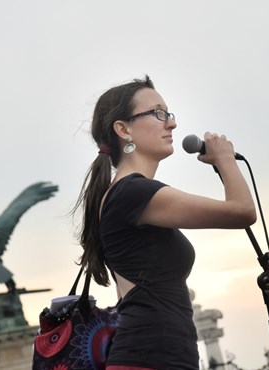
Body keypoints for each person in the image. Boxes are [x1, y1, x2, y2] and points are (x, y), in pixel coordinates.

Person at [75, 76, 256, 370]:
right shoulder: (132, 192)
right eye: (157, 113)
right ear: (123, 129)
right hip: (150, 358)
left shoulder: (126, 194)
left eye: (168, 114)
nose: (170, 124)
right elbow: (242, 211)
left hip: (155, 356)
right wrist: (226, 160)